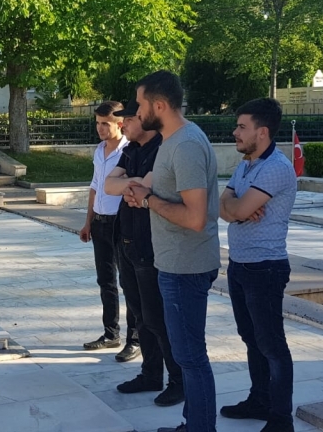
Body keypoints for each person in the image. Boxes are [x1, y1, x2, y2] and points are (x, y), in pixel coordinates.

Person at [123, 70, 221, 432]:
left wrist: (148, 199)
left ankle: (200, 427)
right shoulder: (173, 140)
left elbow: (195, 217)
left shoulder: (186, 145)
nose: (137, 110)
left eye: (141, 104)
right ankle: (193, 424)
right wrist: (144, 195)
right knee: (187, 355)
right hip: (174, 264)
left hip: (186, 267)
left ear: (159, 105)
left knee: (191, 358)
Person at [217, 98, 297, 432]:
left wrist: (236, 207)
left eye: (242, 127)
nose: (235, 132)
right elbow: (223, 206)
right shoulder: (247, 163)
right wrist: (237, 207)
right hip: (240, 265)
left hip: (265, 269)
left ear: (262, 132)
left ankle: (281, 418)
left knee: (272, 345)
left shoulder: (276, 167)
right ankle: (259, 400)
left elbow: (232, 209)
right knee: (251, 338)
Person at [105, 102, 185, 407]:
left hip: (150, 245)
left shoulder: (162, 149)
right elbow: (109, 185)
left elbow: (146, 190)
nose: (123, 125)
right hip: (126, 242)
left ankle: (178, 381)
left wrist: (130, 186)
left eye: (129, 119)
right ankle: (151, 374)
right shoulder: (130, 150)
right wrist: (132, 185)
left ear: (144, 120)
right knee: (140, 315)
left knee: (158, 318)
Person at [80, 101, 140, 361]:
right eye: (97, 123)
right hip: (100, 222)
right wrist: (88, 221)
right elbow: (95, 186)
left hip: (121, 223)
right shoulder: (99, 150)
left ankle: (135, 339)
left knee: (129, 282)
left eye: (105, 123)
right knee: (106, 280)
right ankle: (110, 333)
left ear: (120, 124)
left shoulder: (129, 151)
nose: (100, 128)